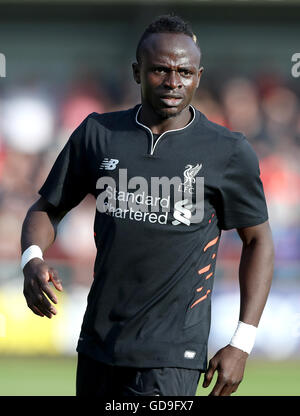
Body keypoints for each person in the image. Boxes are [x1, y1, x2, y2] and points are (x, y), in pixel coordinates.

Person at [21, 15, 274, 396]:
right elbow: (47, 207)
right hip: (97, 346)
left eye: (185, 72)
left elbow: (259, 241)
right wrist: (32, 258)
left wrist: (242, 341)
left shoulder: (228, 151)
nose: (174, 82)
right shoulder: (98, 133)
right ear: (137, 72)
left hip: (172, 354)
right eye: (160, 70)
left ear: (199, 76)